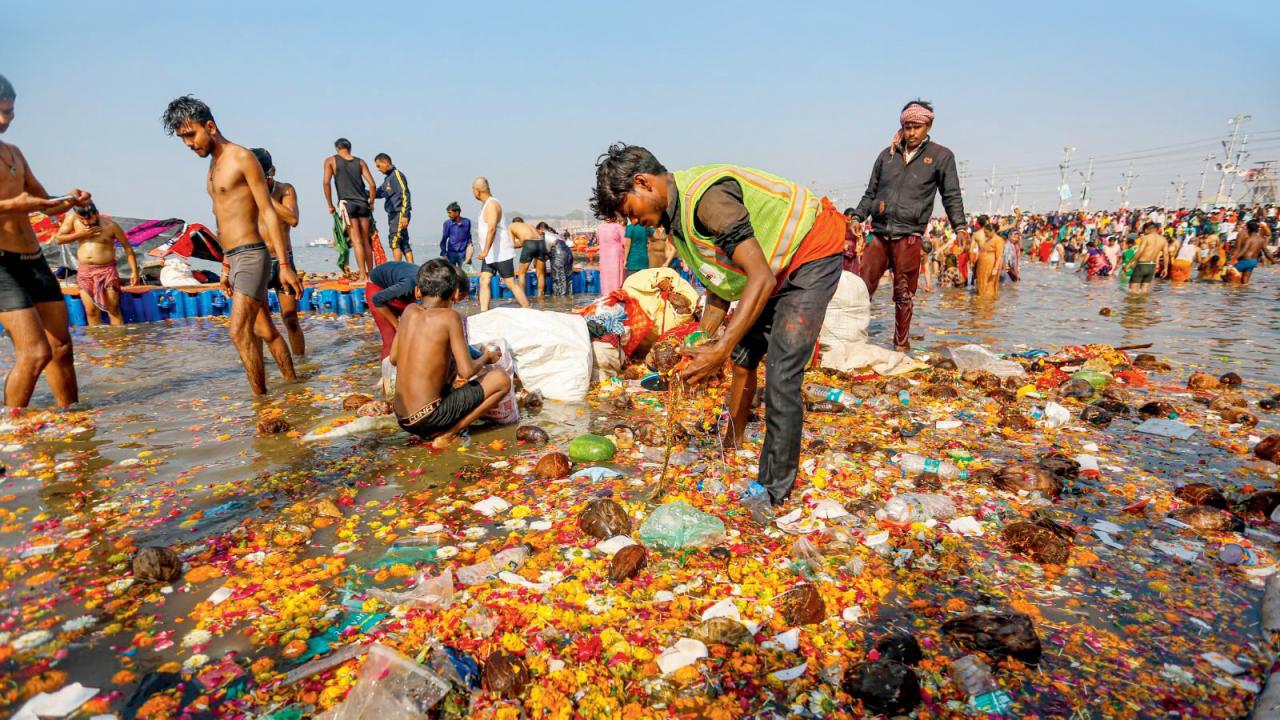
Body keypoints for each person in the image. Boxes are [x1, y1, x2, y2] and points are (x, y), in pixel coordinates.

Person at [591, 143, 846, 509]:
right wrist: (702, 338)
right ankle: (731, 442)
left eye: (629, 211)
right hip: (772, 268)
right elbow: (720, 285)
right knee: (744, 358)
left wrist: (720, 348)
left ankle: (773, 490)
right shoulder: (674, 220)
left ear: (642, 182)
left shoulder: (707, 200)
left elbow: (758, 278)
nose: (633, 222)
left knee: (783, 371)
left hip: (810, 251)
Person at [163, 95, 299, 395]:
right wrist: (225, 265)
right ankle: (293, 386)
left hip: (253, 254)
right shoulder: (212, 167)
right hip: (234, 258)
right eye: (182, 138)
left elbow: (267, 211)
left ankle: (260, 401)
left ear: (210, 126)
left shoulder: (241, 157)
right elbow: (221, 221)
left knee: (238, 332)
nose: (188, 143)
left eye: (190, 134)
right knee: (263, 330)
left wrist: (286, 266)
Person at [850, 100, 967, 351]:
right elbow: (870, 192)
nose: (912, 133)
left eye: (917, 127)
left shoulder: (941, 156)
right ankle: (852, 340)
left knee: (903, 295)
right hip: (879, 233)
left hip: (909, 234)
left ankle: (900, 346)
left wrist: (960, 227)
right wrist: (858, 217)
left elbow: (951, 195)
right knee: (861, 289)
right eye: (907, 127)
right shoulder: (887, 155)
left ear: (929, 125)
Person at [0, 74, 87, 408]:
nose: (6, 120)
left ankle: (73, 417)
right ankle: (11, 427)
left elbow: (45, 202)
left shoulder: (14, 153)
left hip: (32, 259)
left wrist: (71, 199)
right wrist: (14, 206)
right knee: (35, 353)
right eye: (1, 112)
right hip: (1, 265)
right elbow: (23, 204)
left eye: (10, 112)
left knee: (61, 347)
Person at [390, 258, 511, 449]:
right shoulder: (449, 317)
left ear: (418, 291)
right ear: (455, 294)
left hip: (403, 418)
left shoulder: (408, 311)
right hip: (428, 418)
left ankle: (441, 426)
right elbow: (466, 371)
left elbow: (394, 358)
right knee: (501, 379)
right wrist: (487, 357)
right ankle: (450, 433)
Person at [249, 148, 305, 355]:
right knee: (260, 325)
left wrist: (264, 196)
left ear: (271, 171)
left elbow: (292, 218)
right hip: (257, 261)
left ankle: (301, 362)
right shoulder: (245, 192)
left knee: (290, 318)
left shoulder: (285, 190)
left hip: (284, 262)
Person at [54, 202, 139, 326]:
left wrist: (134, 272)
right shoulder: (72, 219)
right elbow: (58, 239)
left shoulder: (111, 226)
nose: (86, 223)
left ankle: (120, 343)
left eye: (89, 219)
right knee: (91, 311)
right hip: (85, 272)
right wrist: (81, 234)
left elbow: (128, 248)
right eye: (82, 220)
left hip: (107, 271)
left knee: (113, 310)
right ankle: (97, 344)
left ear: (97, 213)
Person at [323, 139, 377, 281]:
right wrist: (371, 202)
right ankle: (371, 275)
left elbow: (326, 183)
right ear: (350, 148)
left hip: (347, 205)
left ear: (336, 148)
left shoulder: (330, 161)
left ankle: (363, 275)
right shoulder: (360, 162)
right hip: (363, 204)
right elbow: (372, 184)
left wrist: (330, 204)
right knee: (366, 240)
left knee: (357, 241)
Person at [472, 177, 530, 312]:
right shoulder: (486, 204)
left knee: (510, 283)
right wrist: (487, 252)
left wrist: (485, 251)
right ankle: (484, 312)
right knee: (484, 280)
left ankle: (527, 308)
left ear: (477, 191)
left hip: (500, 253)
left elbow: (492, 228)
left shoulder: (492, 204)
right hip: (491, 254)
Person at [366, 260, 419, 359]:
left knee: (415, 332)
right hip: (378, 289)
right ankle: (387, 372)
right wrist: (397, 325)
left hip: (398, 285)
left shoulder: (431, 284)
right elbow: (377, 300)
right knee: (390, 338)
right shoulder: (407, 286)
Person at [374, 153, 413, 264]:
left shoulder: (397, 175)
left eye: (378, 165)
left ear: (385, 163)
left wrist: (405, 215)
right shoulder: (388, 179)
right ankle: (413, 271)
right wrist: (364, 192)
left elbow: (405, 194)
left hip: (399, 213)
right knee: (404, 243)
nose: (378, 169)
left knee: (394, 241)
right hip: (393, 214)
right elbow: (379, 193)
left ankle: (398, 270)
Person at [510, 216, 545, 297]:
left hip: (529, 244)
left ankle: (522, 297)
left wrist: (520, 244)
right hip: (541, 243)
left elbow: (513, 244)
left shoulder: (511, 226)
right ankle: (540, 296)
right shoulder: (530, 225)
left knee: (521, 273)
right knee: (540, 274)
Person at [1128, 222, 1167, 294]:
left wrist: (1129, 263)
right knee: (1145, 289)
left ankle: (1132, 305)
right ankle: (1143, 304)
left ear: (1146, 230)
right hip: (1152, 266)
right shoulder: (1163, 239)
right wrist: (1165, 268)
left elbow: (1140, 251)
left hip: (1142, 265)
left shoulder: (1146, 238)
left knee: (1133, 289)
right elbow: (1166, 255)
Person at [540, 222, 575, 296]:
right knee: (567, 277)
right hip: (568, 253)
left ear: (540, 229)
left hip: (558, 253)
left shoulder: (542, 234)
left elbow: (542, 253)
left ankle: (559, 301)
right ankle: (568, 299)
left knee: (558, 277)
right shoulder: (555, 235)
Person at [1228, 220, 1267, 284]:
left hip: (1241, 259)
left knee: (1230, 277)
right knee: (1244, 281)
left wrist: (1233, 259)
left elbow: (1237, 248)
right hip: (1252, 261)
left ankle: (1229, 291)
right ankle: (1245, 293)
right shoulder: (1257, 236)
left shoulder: (1242, 233)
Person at [973, 216, 1003, 298]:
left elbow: (999, 255)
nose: (985, 234)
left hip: (991, 265)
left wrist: (995, 268)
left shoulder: (998, 240)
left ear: (993, 231)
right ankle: (981, 300)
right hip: (982, 265)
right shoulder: (987, 240)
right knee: (981, 282)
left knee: (989, 284)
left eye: (986, 233)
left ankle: (988, 303)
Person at [596, 218, 626, 294]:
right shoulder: (618, 227)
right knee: (617, 278)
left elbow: (599, 241)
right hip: (616, 256)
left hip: (604, 256)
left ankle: (606, 296)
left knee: (605, 279)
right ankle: (616, 296)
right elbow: (625, 242)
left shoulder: (600, 227)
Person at [440, 202, 472, 267]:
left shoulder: (467, 222)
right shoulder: (447, 224)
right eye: (448, 213)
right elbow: (443, 240)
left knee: (465, 274)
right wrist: (444, 254)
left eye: (450, 213)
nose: (448, 215)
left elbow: (469, 238)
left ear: (457, 212)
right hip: (451, 254)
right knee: (450, 275)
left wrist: (469, 255)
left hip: (463, 253)